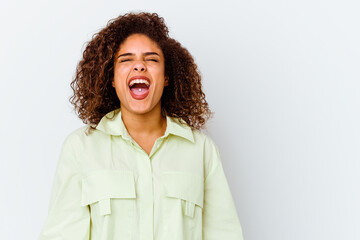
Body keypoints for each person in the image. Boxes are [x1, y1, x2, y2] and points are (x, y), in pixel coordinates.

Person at [38, 12, 244, 240]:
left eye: (152, 59)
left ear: (166, 77)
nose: (139, 67)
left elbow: (224, 235)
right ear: (112, 79)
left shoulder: (201, 150)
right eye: (126, 60)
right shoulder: (80, 148)